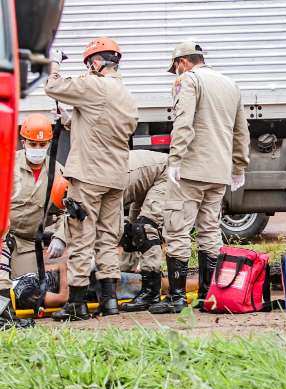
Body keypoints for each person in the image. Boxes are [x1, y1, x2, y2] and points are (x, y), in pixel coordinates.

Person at [149, 41, 250, 314]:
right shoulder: (230, 84)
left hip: (191, 171)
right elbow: (241, 130)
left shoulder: (189, 81)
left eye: (176, 68)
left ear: (183, 62)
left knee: (177, 229)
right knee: (210, 230)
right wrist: (239, 166)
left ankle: (177, 298)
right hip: (219, 172)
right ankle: (208, 295)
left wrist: (175, 158)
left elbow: (183, 122)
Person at [44, 37, 139, 321]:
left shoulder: (93, 85)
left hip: (88, 176)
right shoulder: (125, 94)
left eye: (89, 64)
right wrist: (67, 120)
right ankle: (109, 302)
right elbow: (99, 123)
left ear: (96, 63)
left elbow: (53, 86)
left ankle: (77, 303)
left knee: (81, 237)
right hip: (115, 176)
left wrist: (55, 62)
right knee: (108, 239)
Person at [0, 113, 68, 329]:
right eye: (32, 143)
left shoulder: (56, 171)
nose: (37, 148)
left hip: (29, 243)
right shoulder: (7, 164)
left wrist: (60, 236)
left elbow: (68, 210)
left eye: (42, 144)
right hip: (3, 237)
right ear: (23, 142)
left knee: (28, 291)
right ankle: (3, 315)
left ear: (49, 144)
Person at [119, 150, 168, 312]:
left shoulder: (104, 187)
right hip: (145, 177)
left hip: (165, 173)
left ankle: (151, 291)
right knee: (129, 230)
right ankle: (126, 271)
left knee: (145, 228)